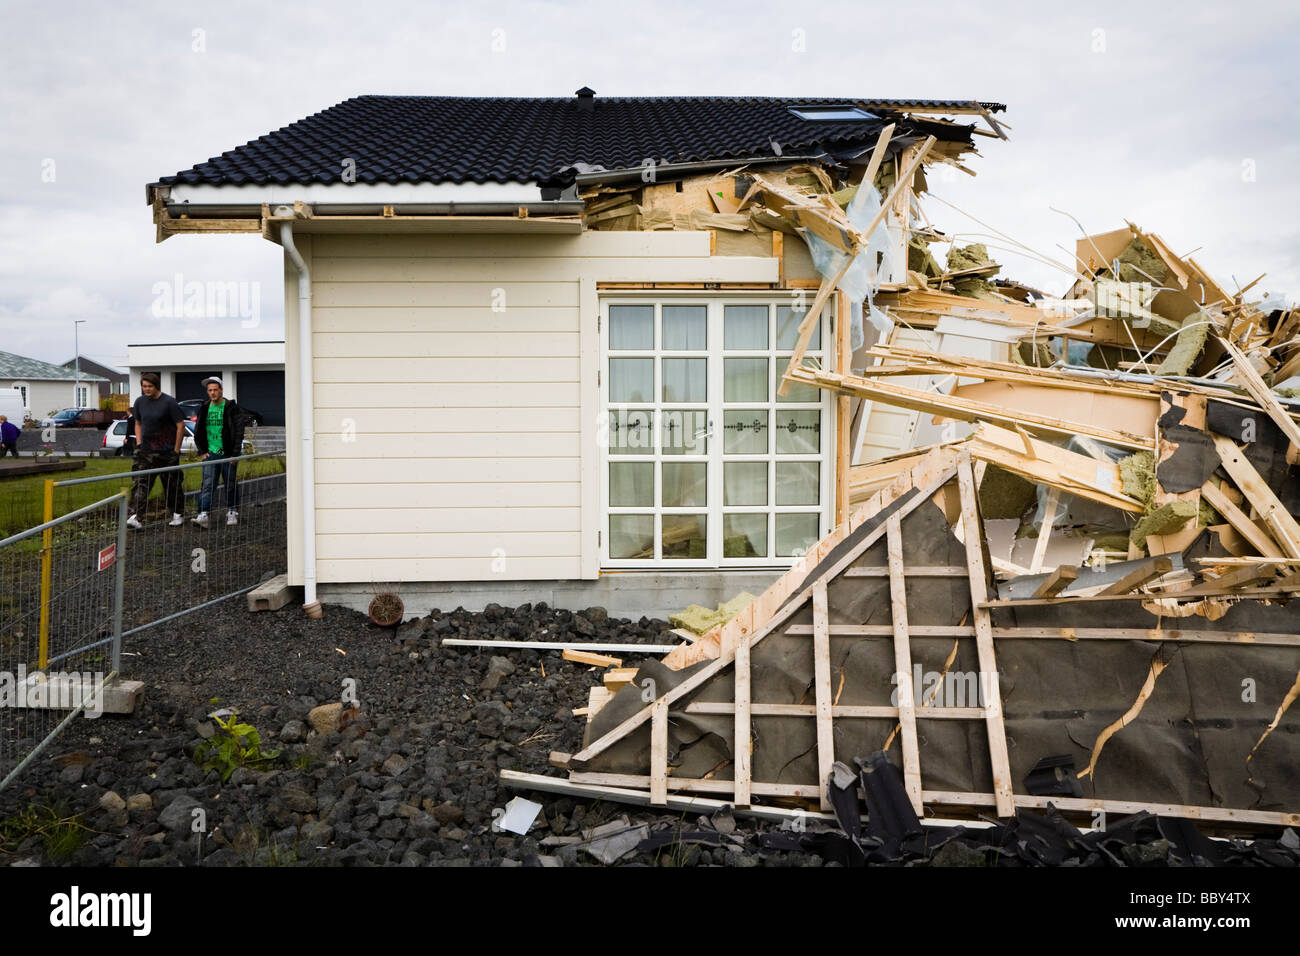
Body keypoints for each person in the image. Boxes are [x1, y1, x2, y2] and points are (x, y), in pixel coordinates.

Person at [127, 372, 186, 529]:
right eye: (144, 386)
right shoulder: (139, 402)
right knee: (141, 483)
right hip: (146, 452)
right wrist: (139, 444)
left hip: (167, 452)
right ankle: (135, 517)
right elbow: (138, 423)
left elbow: (181, 426)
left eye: (149, 386)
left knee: (172, 484)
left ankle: (177, 514)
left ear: (156, 386)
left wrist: (176, 450)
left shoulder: (169, 402)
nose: (146, 389)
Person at [191, 376, 249, 527]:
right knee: (207, 484)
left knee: (230, 483)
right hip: (210, 453)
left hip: (228, 453)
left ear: (221, 390)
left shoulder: (231, 408)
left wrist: (235, 454)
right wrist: (202, 451)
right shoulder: (204, 407)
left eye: (215, 390)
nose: (212, 393)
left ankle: (231, 511)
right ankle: (204, 514)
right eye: (209, 390)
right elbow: (198, 431)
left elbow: (238, 432)